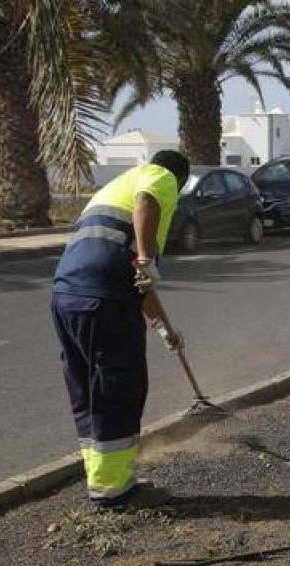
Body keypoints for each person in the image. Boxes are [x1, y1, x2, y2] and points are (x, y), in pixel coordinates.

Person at [50, 150, 190, 509]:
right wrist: (146, 258)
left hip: (66, 296)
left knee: (88, 390)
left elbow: (140, 286)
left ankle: (102, 481)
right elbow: (148, 203)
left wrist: (162, 331)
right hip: (105, 301)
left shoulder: (112, 191)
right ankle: (115, 491)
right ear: (180, 180)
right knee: (119, 389)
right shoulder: (160, 176)